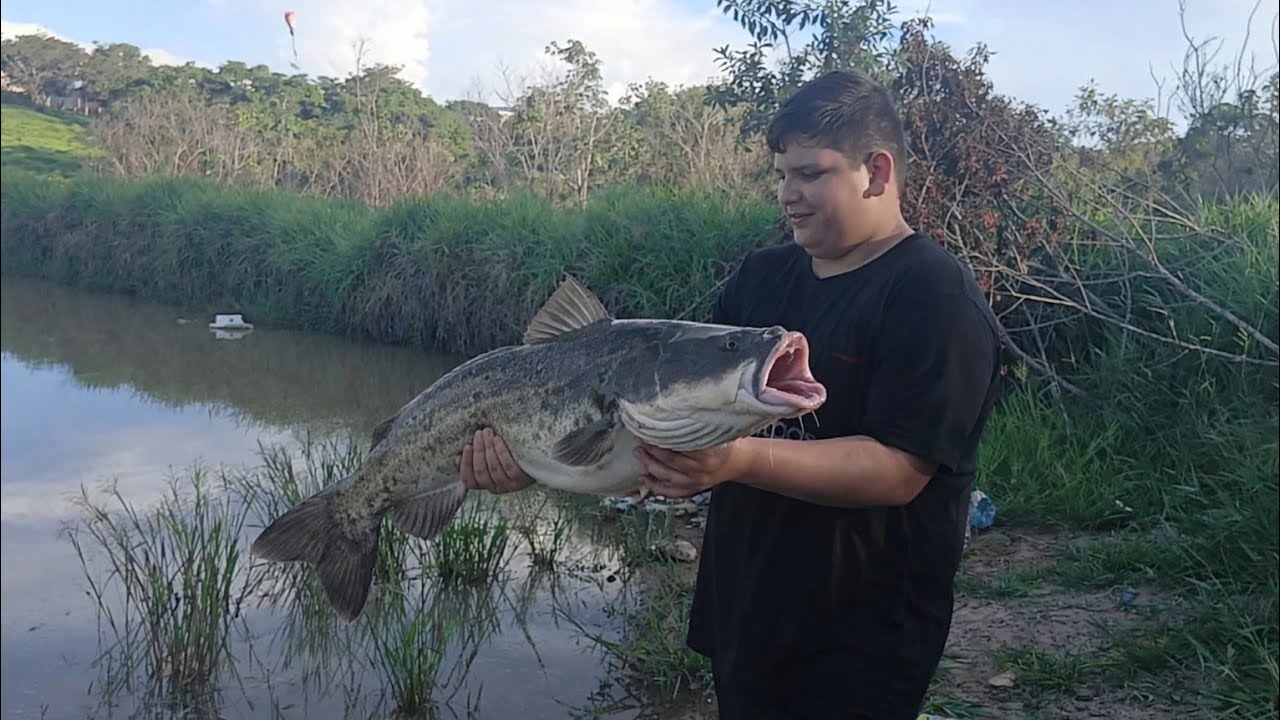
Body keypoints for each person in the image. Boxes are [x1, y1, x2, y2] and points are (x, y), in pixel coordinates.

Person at [459, 69, 1002, 720]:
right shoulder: (762, 277)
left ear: (876, 172)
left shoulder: (933, 296)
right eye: (781, 175)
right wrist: (536, 461)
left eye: (810, 174)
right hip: (746, 606)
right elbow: (672, 436)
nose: (788, 194)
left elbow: (899, 470)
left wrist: (737, 461)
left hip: (861, 632)